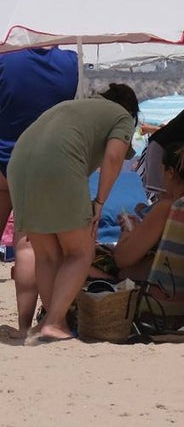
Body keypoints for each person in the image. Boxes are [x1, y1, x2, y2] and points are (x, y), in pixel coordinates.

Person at [8, 83, 139, 343]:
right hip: (58, 165)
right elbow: (114, 157)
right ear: (132, 112)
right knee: (80, 252)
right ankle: (54, 322)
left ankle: (52, 321)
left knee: (47, 255)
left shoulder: (74, 107)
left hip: (18, 165)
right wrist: (100, 201)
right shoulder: (121, 116)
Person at [0, 47, 79, 339]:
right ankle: (24, 327)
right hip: (40, 161)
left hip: (2, 154)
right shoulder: (71, 62)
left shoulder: (5, 59)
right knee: (27, 247)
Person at [109, 134, 184, 281]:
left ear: (170, 172)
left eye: (162, 171)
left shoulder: (169, 208)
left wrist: (127, 230)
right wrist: (140, 229)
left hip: (163, 290)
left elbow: (122, 258)